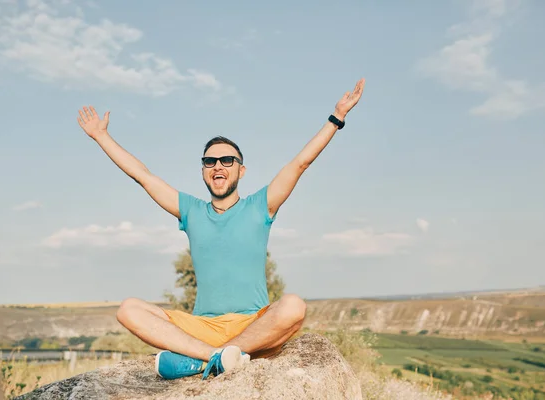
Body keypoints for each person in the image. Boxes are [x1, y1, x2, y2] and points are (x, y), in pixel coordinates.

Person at [76, 78, 365, 380]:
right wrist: (100, 136)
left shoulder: (260, 206)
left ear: (241, 170)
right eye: (210, 161)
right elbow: (143, 176)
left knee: (293, 306)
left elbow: (300, 163)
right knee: (128, 309)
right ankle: (215, 358)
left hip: (253, 326)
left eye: (227, 160)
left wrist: (337, 116)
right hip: (203, 329)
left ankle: (206, 360)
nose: (218, 166)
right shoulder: (191, 211)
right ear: (203, 171)